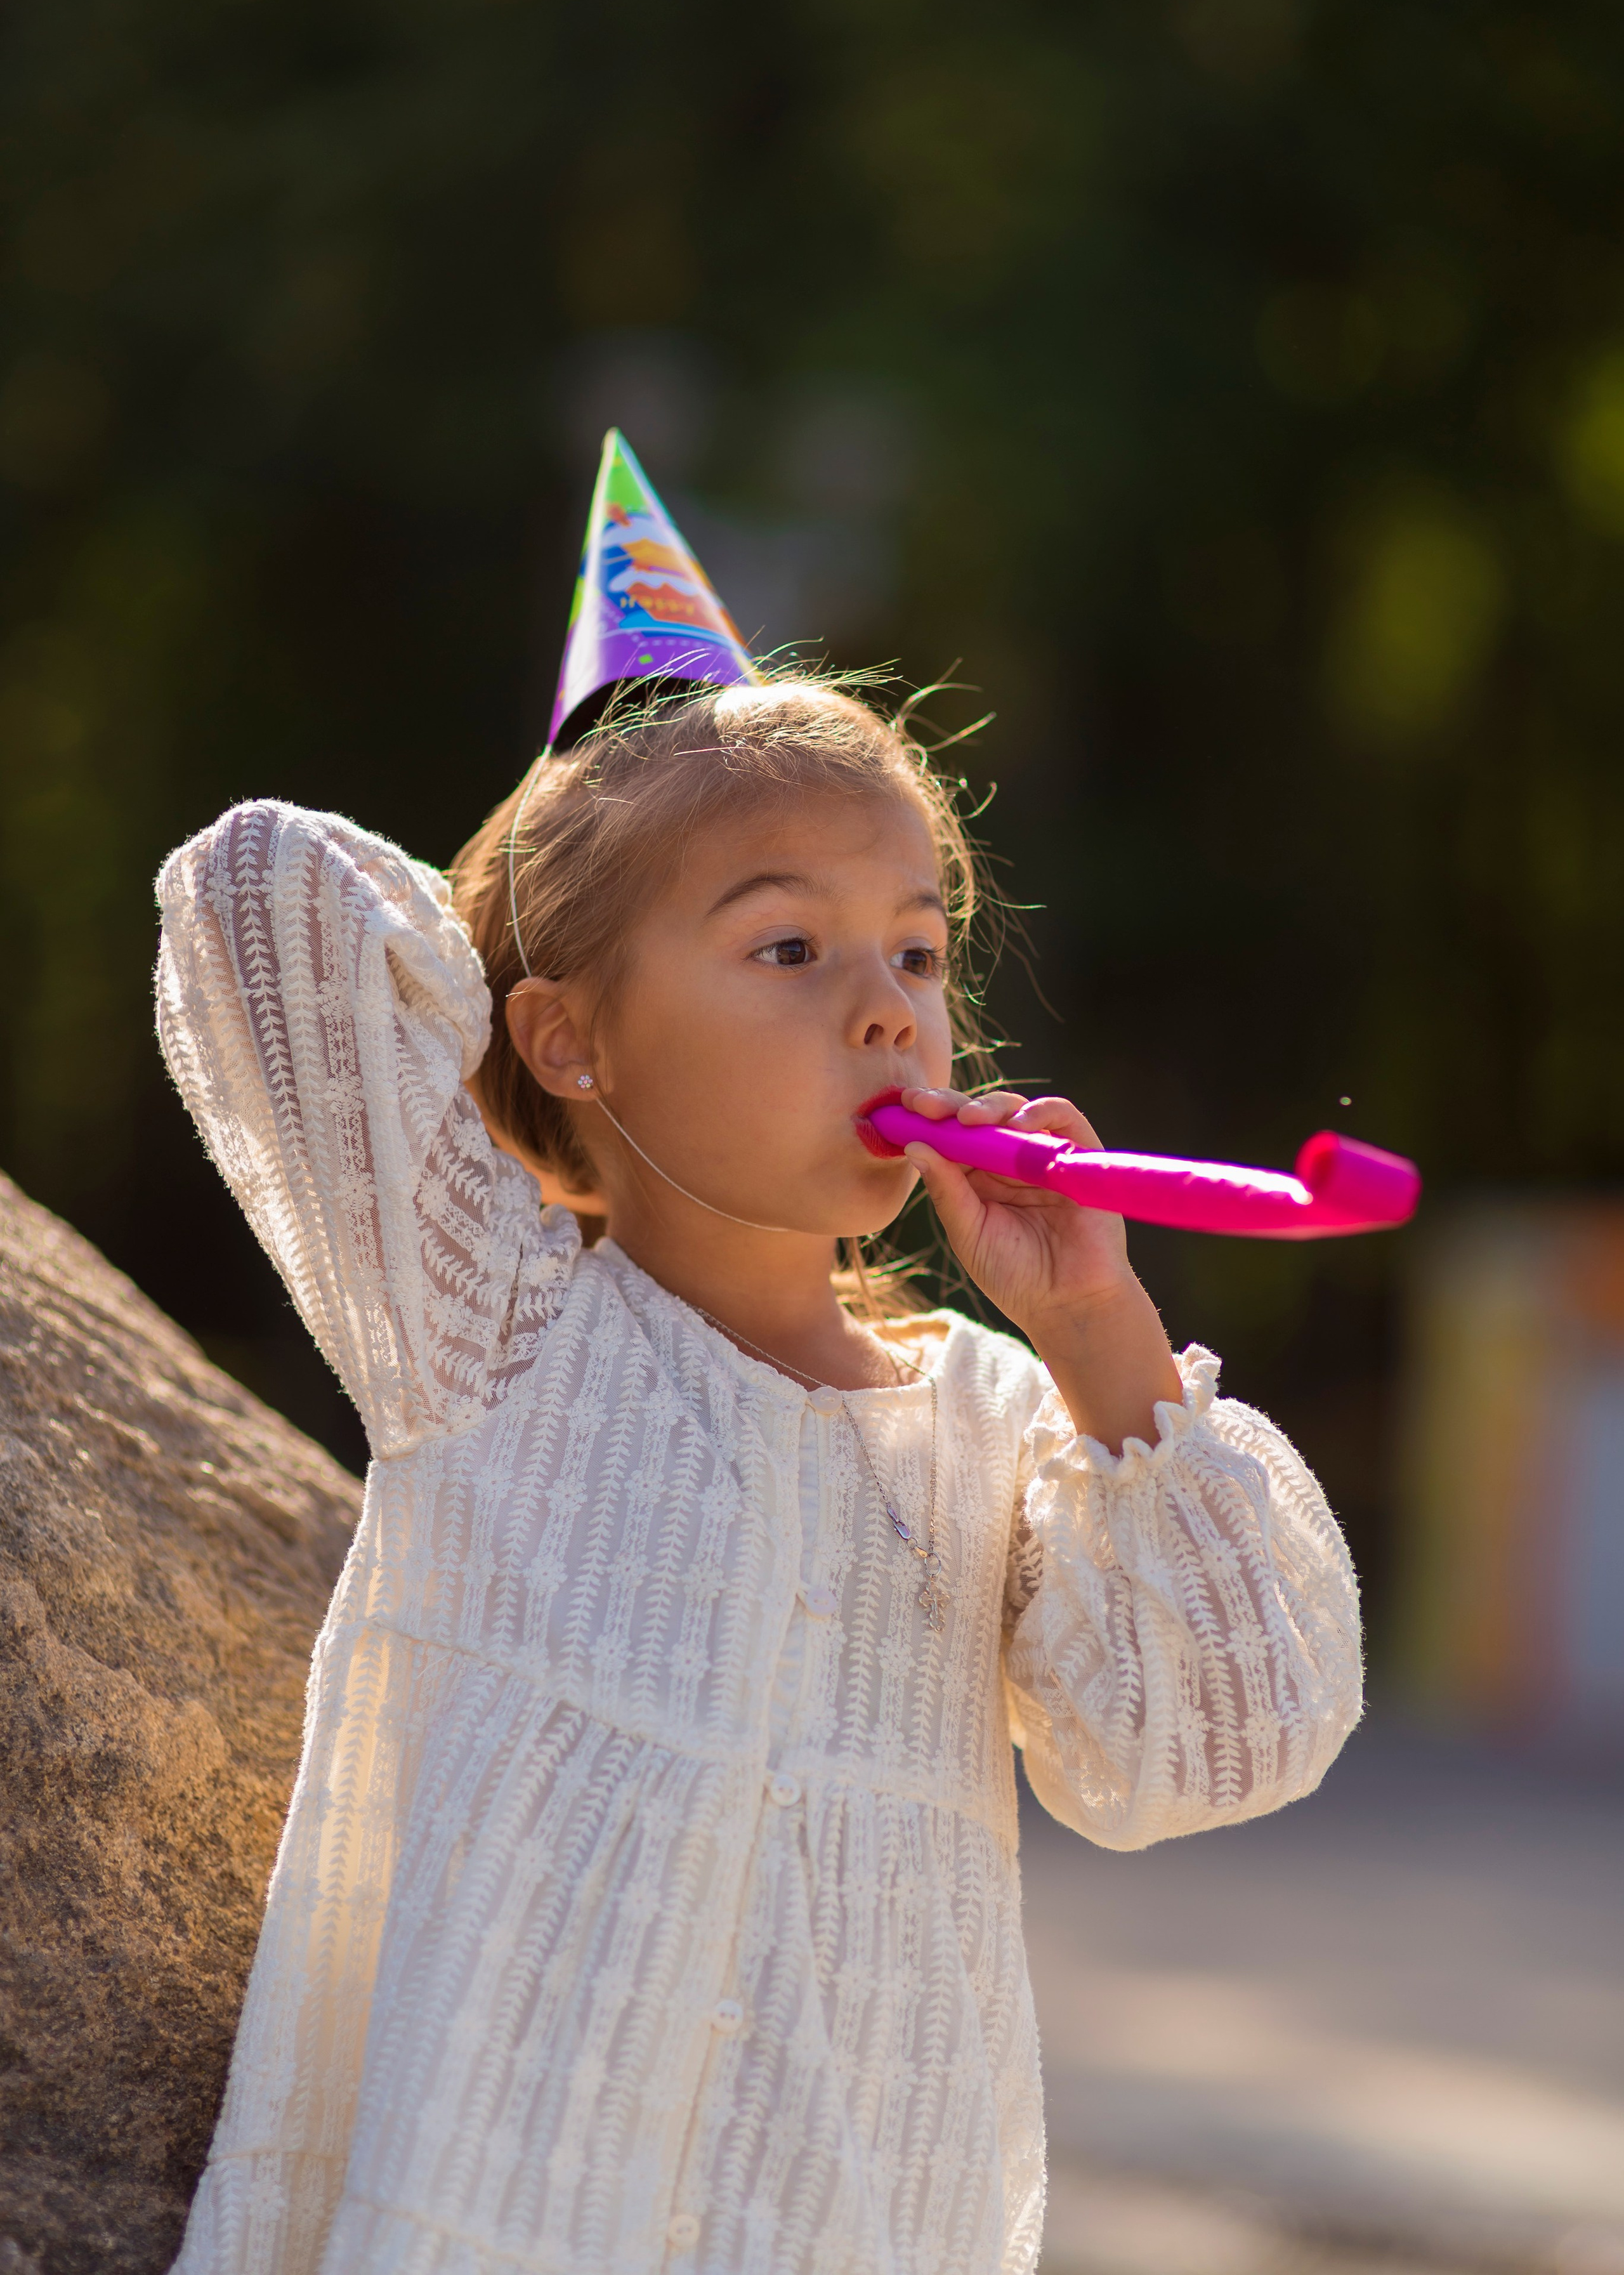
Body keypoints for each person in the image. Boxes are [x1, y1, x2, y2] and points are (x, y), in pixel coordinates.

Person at [154, 437, 1361, 2275]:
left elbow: (1222, 1740)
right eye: (784, 943)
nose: (884, 1001)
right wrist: (608, 819)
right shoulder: (493, 1330)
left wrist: (1095, 1320)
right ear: (567, 1039)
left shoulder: (993, 1433)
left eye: (916, 948)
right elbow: (260, 897)